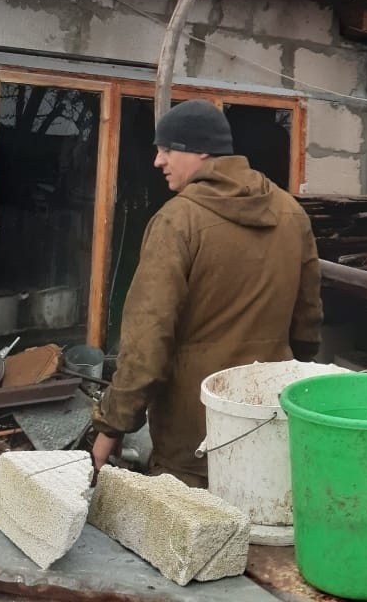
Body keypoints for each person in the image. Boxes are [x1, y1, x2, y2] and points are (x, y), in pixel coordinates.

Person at [91, 99, 323, 487]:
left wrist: (112, 428)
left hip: (194, 437)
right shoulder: (290, 212)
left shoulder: (177, 221)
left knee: (192, 538)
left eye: (166, 149)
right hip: (269, 417)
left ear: (199, 150)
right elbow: (308, 325)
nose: (157, 161)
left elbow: (147, 343)